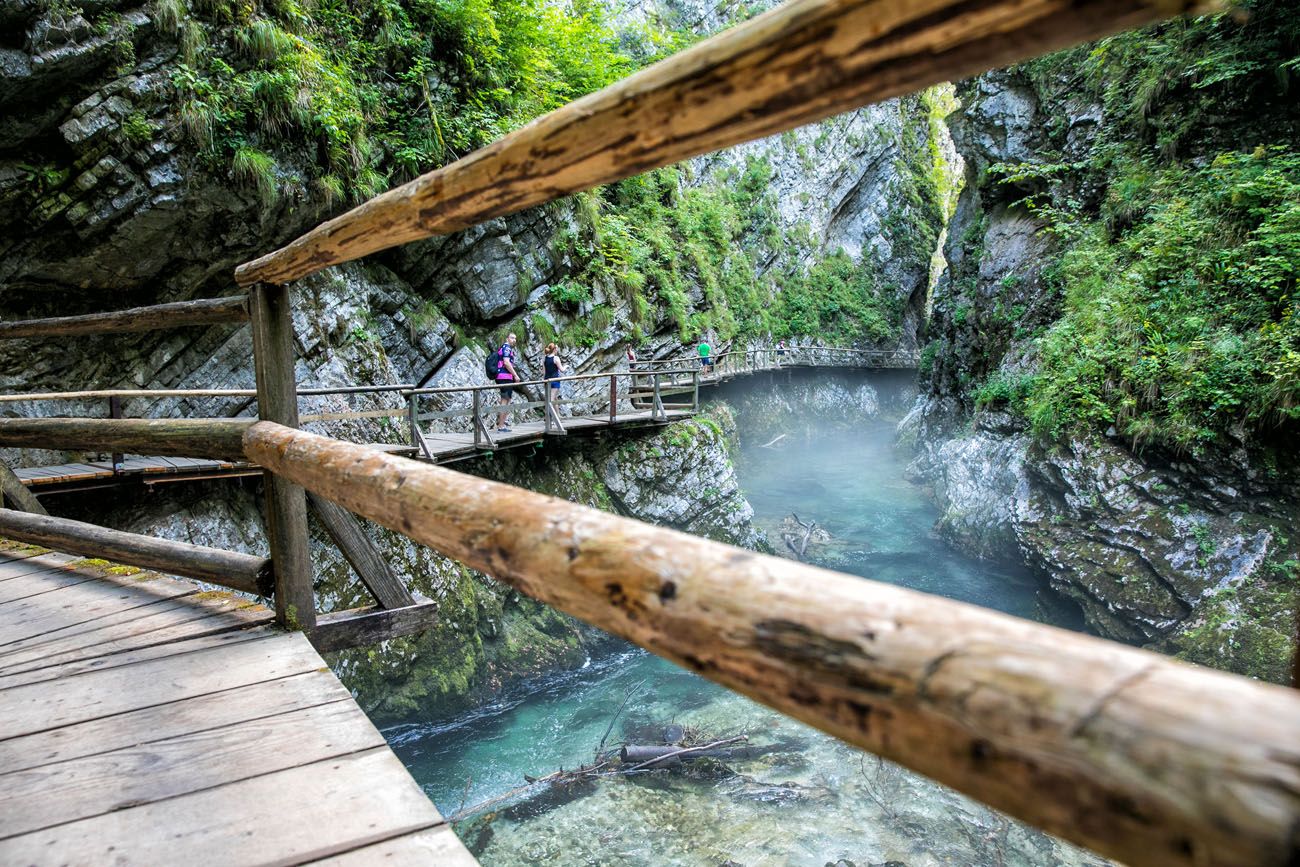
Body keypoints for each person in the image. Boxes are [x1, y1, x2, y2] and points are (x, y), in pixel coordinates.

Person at [495, 332, 519, 432]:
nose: (514, 340)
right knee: (505, 400)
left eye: (515, 338)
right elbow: (506, 362)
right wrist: (515, 375)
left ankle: (502, 424)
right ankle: (501, 426)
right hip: (504, 377)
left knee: (507, 399)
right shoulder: (507, 348)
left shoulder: (505, 348)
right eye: (512, 338)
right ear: (507, 338)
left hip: (505, 377)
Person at [543, 342, 565, 407]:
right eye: (557, 349)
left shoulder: (544, 358)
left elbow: (543, 372)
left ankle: (557, 416)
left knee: (554, 398)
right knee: (552, 399)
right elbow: (562, 370)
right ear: (554, 349)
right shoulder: (556, 358)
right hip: (555, 380)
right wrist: (566, 366)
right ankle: (551, 416)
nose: (557, 350)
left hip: (547, 380)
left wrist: (543, 381)